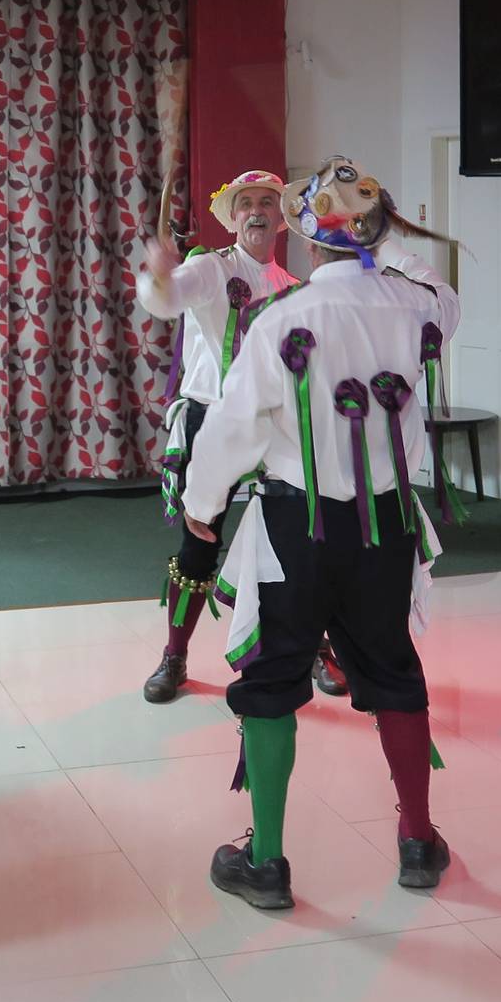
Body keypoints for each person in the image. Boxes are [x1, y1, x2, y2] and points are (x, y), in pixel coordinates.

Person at [183, 156, 460, 910]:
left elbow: (234, 426)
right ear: (376, 230)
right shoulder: (419, 307)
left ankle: (267, 863)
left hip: (295, 525)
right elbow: (443, 292)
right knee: (392, 669)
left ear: (307, 240)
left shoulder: (281, 317)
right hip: (386, 523)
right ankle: (417, 840)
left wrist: (202, 503)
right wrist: (387, 240)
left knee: (274, 679)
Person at [138, 170, 350, 702]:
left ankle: (312, 646)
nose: (257, 211)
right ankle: (174, 656)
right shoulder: (211, 268)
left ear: (281, 219)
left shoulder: (295, 287)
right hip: (212, 421)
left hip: (275, 429)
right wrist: (158, 276)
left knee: (298, 540)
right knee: (198, 544)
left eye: (267, 203)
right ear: (233, 217)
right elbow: (167, 298)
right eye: (246, 203)